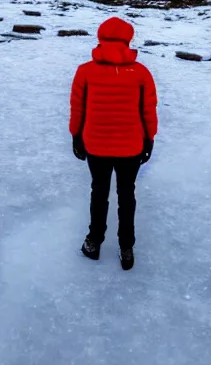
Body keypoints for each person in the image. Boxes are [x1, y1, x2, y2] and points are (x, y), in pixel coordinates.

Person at [69, 16, 158, 270]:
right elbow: (148, 110)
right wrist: (149, 138)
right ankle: (126, 247)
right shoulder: (140, 73)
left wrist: (76, 135)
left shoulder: (85, 71)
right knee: (126, 194)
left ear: (100, 38)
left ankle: (94, 242)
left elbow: (78, 108)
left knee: (99, 191)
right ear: (127, 40)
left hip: (96, 145)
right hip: (131, 146)